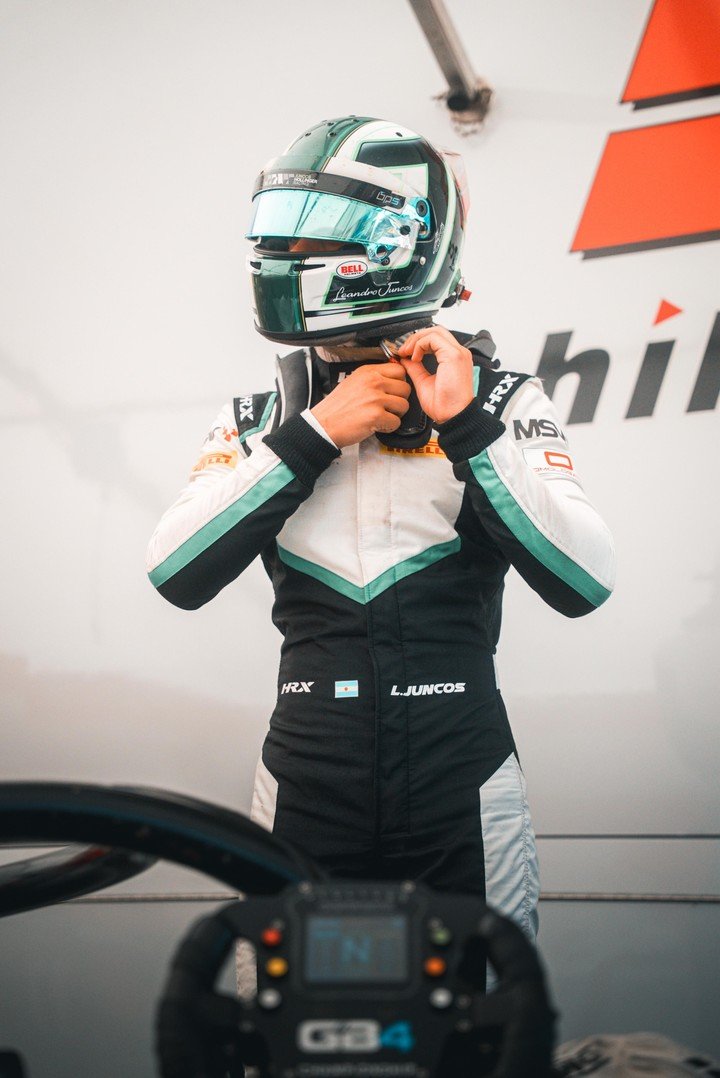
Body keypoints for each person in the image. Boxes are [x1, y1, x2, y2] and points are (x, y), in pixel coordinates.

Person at [146, 116, 615, 942]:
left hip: (459, 774)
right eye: (280, 237)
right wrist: (314, 435)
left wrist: (466, 426)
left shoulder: (501, 399)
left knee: (483, 1012)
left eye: (311, 239)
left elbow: (585, 580)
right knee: (284, 1015)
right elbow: (174, 573)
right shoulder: (260, 419)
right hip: (307, 778)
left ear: (397, 247)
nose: (285, 257)